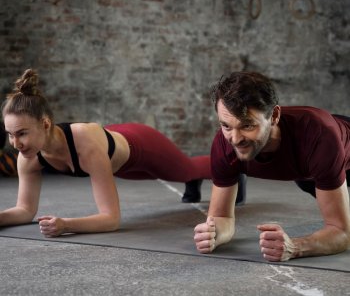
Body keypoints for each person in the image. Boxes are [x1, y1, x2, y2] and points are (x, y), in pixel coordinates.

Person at [1, 68, 212, 238]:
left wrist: (66, 225)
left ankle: (230, 168)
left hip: (141, 145)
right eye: (10, 135)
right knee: (155, 175)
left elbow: (111, 219)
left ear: (45, 124)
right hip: (120, 164)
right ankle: (193, 181)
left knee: (186, 170)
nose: (15, 143)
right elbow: (25, 210)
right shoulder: (27, 158)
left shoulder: (85, 144)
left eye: (22, 134)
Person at [194, 71, 350, 262]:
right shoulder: (224, 144)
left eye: (248, 126)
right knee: (306, 181)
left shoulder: (319, 138)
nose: (235, 139)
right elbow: (222, 218)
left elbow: (341, 233)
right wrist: (214, 234)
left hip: (334, 145)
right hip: (308, 172)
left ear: (274, 115)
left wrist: (295, 247)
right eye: (226, 126)